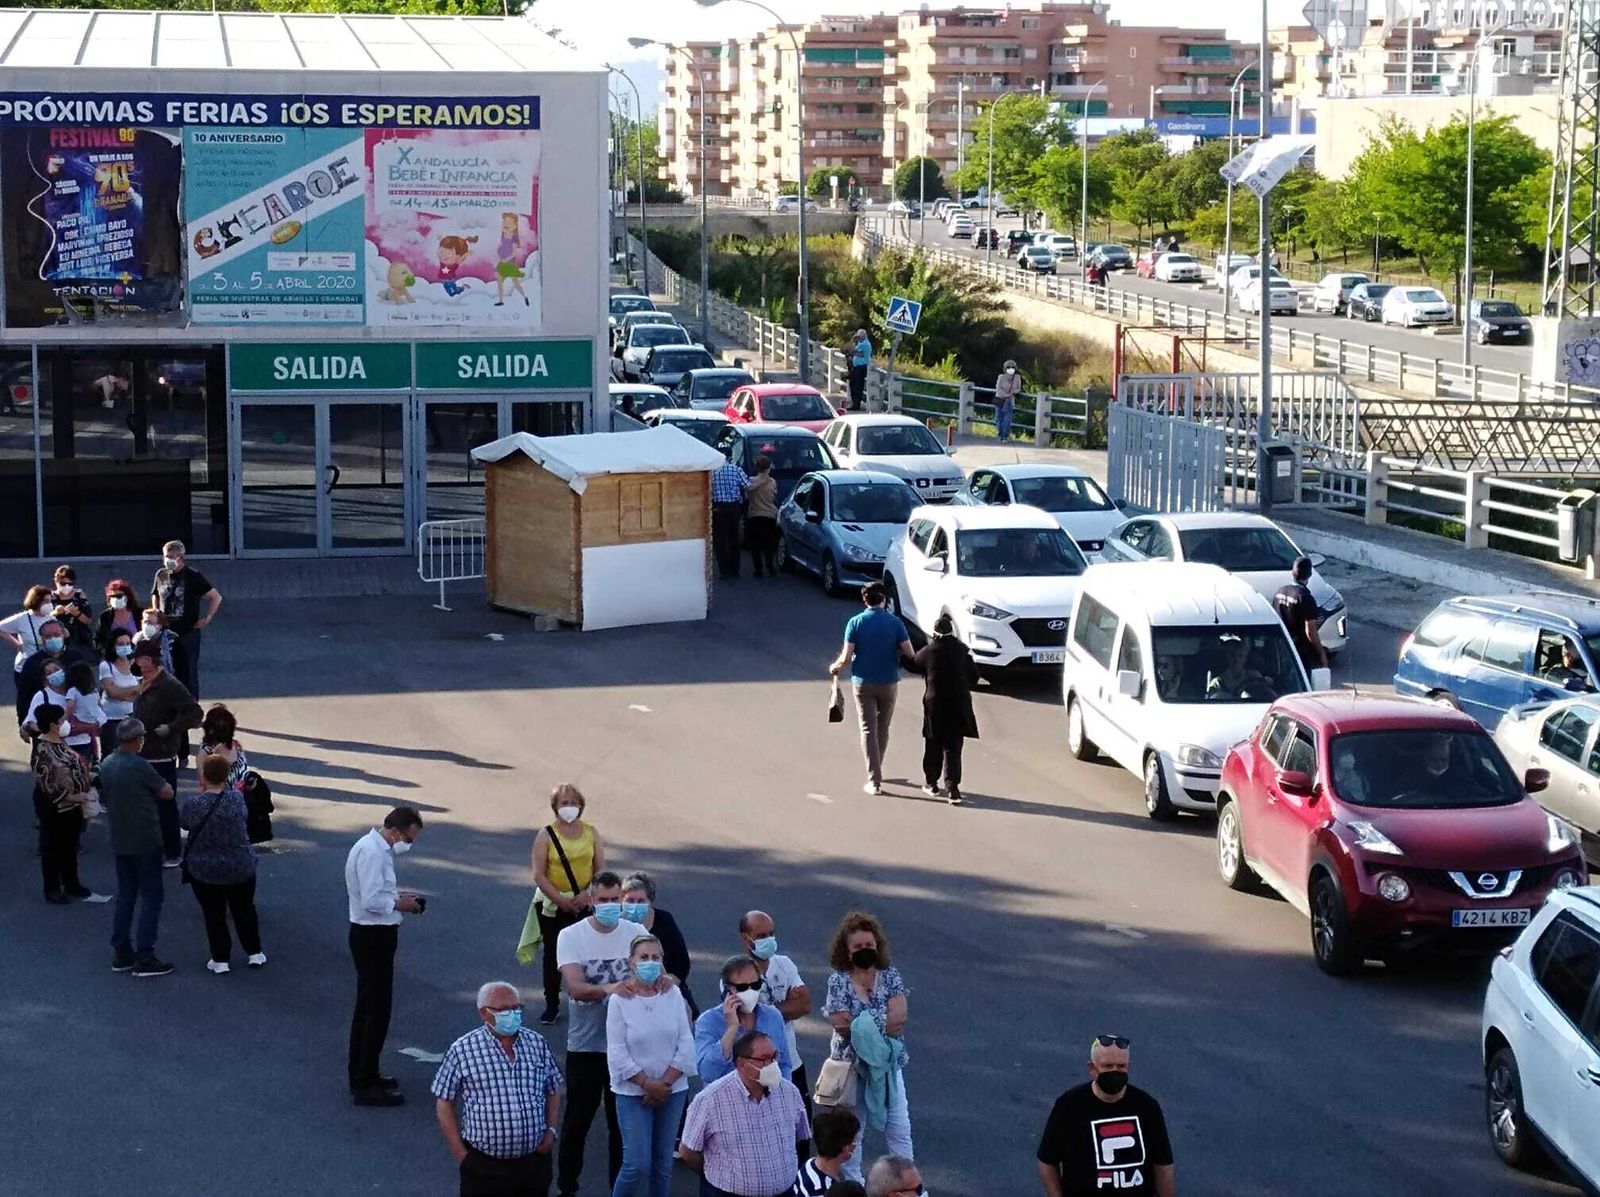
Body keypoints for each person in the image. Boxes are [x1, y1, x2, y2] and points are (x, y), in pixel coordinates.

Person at [555, 870, 650, 1197]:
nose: (610, 906)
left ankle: (617, 1190)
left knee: (620, 1127)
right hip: (586, 1045)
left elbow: (656, 976)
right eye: (603, 900)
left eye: (615, 900)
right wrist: (617, 987)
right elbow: (577, 988)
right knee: (577, 1121)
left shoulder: (636, 932)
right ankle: (568, 1186)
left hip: (626, 1047)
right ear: (591, 901)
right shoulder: (571, 937)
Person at [433, 981, 565, 1197]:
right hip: (484, 1167)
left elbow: (552, 1087)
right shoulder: (463, 1049)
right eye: (503, 1010)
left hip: (533, 1164)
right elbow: (444, 1100)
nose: (512, 1014)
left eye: (516, 1008)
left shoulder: (536, 1043)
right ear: (484, 1013)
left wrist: (550, 1130)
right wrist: (460, 1152)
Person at [821, 913, 912, 1182]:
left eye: (869, 946)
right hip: (851, 1068)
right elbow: (840, 1023)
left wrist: (862, 1025)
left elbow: (899, 1020)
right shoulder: (838, 980)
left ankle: (908, 1185)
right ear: (847, 952)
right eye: (858, 947)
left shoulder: (890, 975)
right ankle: (855, 1187)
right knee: (853, 1133)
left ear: (878, 946)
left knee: (899, 1129)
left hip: (886, 1067)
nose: (865, 951)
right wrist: (876, 1021)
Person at [346, 805, 426, 1107]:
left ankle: (366, 1072)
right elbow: (371, 900)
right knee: (375, 1011)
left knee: (370, 1007)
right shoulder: (373, 853)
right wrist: (401, 903)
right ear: (395, 831)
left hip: (374, 935)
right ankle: (364, 1083)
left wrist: (397, 899)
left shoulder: (375, 849)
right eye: (409, 837)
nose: (409, 844)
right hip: (372, 935)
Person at [607, 935, 696, 1197]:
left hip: (673, 1090)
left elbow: (685, 1040)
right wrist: (648, 1085)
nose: (650, 962)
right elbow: (617, 1052)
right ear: (631, 962)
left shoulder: (673, 993)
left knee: (662, 1165)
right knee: (637, 1163)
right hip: (633, 1092)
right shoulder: (619, 1000)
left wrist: (665, 1084)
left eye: (655, 958)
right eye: (643, 957)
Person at [1036, 1036, 1175, 1197]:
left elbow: (1163, 1165)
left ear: (1129, 1067)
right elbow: (1047, 1161)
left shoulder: (1146, 1106)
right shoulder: (1070, 1106)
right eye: (1107, 1066)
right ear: (1092, 1068)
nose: (1115, 1071)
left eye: (1121, 1066)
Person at [680, 1030, 810, 1197]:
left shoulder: (789, 1092)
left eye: (774, 1057)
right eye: (764, 1059)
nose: (772, 1064)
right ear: (742, 1064)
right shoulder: (710, 1100)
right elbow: (688, 1152)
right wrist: (717, 1175)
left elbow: (800, 1138)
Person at [100, 718, 177, 977]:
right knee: (152, 897)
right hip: (145, 839)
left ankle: (122, 951)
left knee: (126, 895)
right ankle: (145, 954)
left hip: (120, 839)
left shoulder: (107, 764)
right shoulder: (140, 766)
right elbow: (166, 792)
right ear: (136, 740)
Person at [828, 581, 913, 796]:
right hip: (889, 681)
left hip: (863, 682)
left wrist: (835, 667)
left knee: (868, 729)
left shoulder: (855, 623)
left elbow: (846, 657)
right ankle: (877, 767)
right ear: (884, 599)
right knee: (882, 728)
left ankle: (874, 779)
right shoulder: (895, 623)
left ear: (864, 600)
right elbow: (909, 652)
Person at [181, 752, 264, 973]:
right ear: (227, 774)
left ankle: (220, 959)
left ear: (204, 776)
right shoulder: (237, 800)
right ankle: (254, 952)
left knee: (214, 913)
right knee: (244, 909)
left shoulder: (193, 804)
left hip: (205, 868)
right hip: (240, 866)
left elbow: (185, 823)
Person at [532, 784, 606, 1024]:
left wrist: (588, 894)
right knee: (553, 956)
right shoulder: (546, 835)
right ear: (555, 807)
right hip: (554, 906)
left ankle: (590, 997)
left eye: (573, 803)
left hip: (584, 902)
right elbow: (539, 874)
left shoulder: (591, 833)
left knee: (589, 952)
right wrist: (560, 900)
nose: (569, 808)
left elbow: (599, 869)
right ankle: (551, 1003)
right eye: (564, 803)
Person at [130, 641, 201, 866]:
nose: (135, 661)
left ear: (149, 661)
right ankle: (152, 846)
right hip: (142, 753)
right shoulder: (145, 682)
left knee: (165, 805)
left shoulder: (170, 685)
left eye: (138, 657)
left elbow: (195, 713)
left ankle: (172, 852)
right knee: (145, 805)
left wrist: (171, 728)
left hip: (160, 756)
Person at [739, 910, 811, 1109]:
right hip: (757, 1069)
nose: (769, 940)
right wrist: (786, 1008)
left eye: (771, 934)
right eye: (761, 936)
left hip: (792, 1063)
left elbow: (805, 1004)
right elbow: (748, 1017)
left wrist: (766, 1012)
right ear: (746, 939)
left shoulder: (784, 964)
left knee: (801, 1131)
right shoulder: (737, 973)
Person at [905, 612, 978, 806]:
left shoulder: (929, 651)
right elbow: (974, 677)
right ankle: (953, 789)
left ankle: (931, 783)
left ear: (935, 632)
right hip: (958, 703)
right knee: (953, 748)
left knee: (933, 743)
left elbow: (912, 664)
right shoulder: (962, 650)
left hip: (934, 705)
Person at [695, 956, 795, 1084]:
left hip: (767, 1097)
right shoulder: (708, 1021)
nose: (750, 991)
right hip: (726, 1100)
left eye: (755, 985)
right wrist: (732, 1029)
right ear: (728, 990)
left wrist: (782, 1094)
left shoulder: (773, 1017)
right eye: (742, 987)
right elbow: (707, 1073)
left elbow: (784, 1064)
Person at [31, 702, 94, 905]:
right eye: (61, 721)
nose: (65, 724)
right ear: (53, 724)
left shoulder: (60, 743)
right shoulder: (42, 750)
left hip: (73, 807)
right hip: (55, 808)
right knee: (53, 849)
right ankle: (52, 888)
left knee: (70, 846)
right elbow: (47, 784)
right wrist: (73, 797)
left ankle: (71, 882)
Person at [150, 538, 221, 698]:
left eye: (172, 557)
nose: (168, 560)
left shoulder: (193, 576)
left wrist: (207, 617)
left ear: (181, 558)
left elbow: (216, 597)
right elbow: (155, 594)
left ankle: (191, 706)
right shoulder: (161, 575)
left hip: (188, 631)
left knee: (188, 673)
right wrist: (155, 611)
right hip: (166, 632)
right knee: (166, 669)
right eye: (166, 556)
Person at [621, 872, 697, 1018]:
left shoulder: (664, 920)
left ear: (650, 901)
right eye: (630, 900)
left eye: (641, 901)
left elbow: (681, 960)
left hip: (664, 984)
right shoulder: (616, 924)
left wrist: (670, 981)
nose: (635, 906)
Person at [1272, 556, 1326, 672]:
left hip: (1280, 647)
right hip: (1299, 651)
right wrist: (1321, 653)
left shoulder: (1280, 592)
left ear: (1293, 572)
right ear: (1309, 575)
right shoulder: (1305, 597)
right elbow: (1310, 632)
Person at [793, 1107, 860, 1195]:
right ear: (846, 1149)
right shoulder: (823, 1192)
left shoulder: (811, 1163)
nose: (855, 1144)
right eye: (854, 1140)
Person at [1, 585, 57, 686]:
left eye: (50, 601)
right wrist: (17, 644)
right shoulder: (22, 619)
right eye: (46, 601)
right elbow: (1, 627)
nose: (49, 604)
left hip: (46, 669)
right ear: (37, 601)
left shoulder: (51, 619)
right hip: (25, 668)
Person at [97, 629, 141, 758]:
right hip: (111, 719)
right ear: (113, 646)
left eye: (127, 643)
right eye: (120, 644)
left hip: (132, 717)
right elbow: (111, 692)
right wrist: (135, 689)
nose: (125, 647)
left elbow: (141, 692)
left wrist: (122, 694)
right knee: (110, 755)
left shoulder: (135, 665)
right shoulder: (106, 666)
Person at [711, 452, 750, 581]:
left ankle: (723, 570)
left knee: (720, 539)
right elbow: (747, 485)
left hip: (718, 507)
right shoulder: (736, 469)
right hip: (734, 507)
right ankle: (734, 569)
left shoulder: (713, 471)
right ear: (730, 457)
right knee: (734, 537)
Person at [62, 661, 104, 764]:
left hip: (75, 730)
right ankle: (96, 759)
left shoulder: (73, 691)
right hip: (89, 731)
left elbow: (70, 705)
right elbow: (99, 705)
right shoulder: (94, 691)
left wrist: (66, 719)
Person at [746, 456, 780, 579]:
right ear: (768, 468)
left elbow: (747, 495)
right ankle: (770, 565)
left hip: (754, 514)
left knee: (754, 544)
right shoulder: (772, 482)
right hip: (769, 514)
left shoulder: (751, 481)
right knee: (769, 543)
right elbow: (774, 498)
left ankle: (758, 568)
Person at [48, 565, 95, 651]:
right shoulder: (50, 597)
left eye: (70, 584)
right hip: (57, 638)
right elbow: (43, 619)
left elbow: (88, 620)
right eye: (63, 583)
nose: (66, 586)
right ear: (56, 582)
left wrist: (76, 613)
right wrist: (55, 612)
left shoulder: (79, 596)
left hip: (78, 639)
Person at [94, 577, 143, 657]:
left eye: (118, 596)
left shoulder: (139, 613)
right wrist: (107, 654)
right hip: (113, 658)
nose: (115, 599)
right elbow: (99, 640)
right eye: (112, 596)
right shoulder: (105, 616)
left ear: (127, 597)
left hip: (137, 657)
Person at [993, 359, 1022, 442]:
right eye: (1009, 367)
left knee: (1003, 418)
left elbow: (998, 389)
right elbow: (1017, 389)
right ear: (1005, 368)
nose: (1010, 369)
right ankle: (1003, 436)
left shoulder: (1014, 377)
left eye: (1012, 367)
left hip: (1001, 398)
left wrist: (1006, 395)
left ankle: (1002, 435)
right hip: (1006, 399)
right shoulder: (1003, 377)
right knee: (1002, 418)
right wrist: (1010, 394)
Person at [848, 329, 872, 412]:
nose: (858, 337)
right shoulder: (860, 343)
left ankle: (856, 405)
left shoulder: (865, 344)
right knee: (853, 384)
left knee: (858, 386)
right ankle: (854, 403)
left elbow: (860, 354)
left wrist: (853, 351)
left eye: (859, 336)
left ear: (864, 336)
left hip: (861, 367)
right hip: (857, 367)